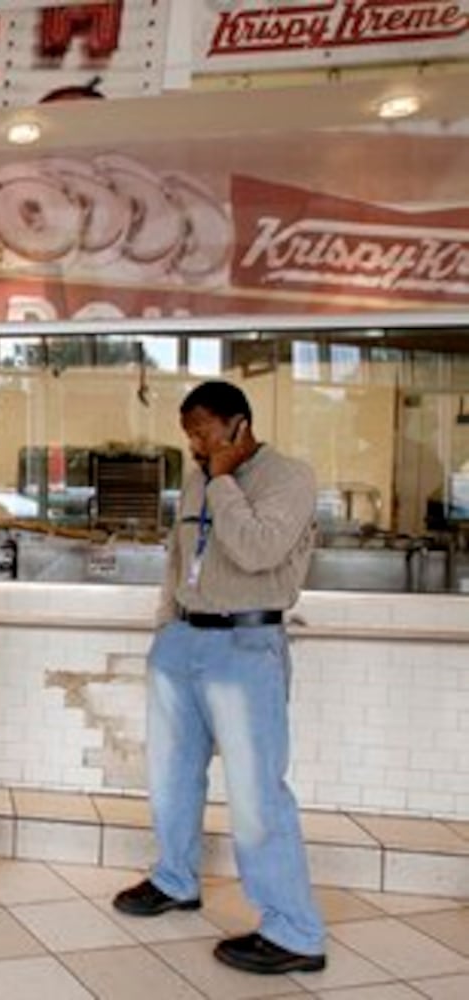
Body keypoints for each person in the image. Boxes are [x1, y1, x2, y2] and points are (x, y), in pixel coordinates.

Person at [113, 380, 327, 975]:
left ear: (239, 424)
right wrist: (164, 626)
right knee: (170, 775)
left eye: (204, 431)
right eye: (189, 433)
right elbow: (179, 556)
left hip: (245, 642)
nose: (196, 444)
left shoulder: (289, 477)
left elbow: (257, 550)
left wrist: (224, 479)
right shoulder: (196, 475)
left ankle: (296, 932)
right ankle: (175, 878)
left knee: (258, 793)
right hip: (183, 639)